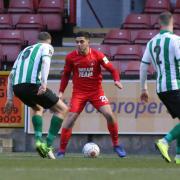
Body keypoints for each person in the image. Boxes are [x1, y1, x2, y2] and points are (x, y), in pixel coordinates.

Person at [56, 31, 126, 158]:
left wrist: (117, 80)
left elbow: (112, 69)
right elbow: (66, 75)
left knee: (109, 115)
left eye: (82, 41)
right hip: (79, 93)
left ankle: (116, 145)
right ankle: (61, 151)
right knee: (70, 118)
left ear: (88, 42)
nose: (79, 44)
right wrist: (61, 91)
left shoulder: (98, 55)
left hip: (96, 92)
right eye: (77, 42)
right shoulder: (70, 57)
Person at [4, 32, 68, 159]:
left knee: (38, 108)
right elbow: (45, 62)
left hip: (18, 88)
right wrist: (44, 84)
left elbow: (11, 75)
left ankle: (38, 139)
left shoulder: (24, 51)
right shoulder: (47, 47)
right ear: (49, 41)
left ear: (37, 40)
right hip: (33, 85)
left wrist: (10, 98)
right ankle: (47, 145)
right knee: (62, 109)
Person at [140, 11, 180, 164]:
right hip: (175, 86)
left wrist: (143, 88)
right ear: (173, 23)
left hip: (161, 88)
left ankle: (178, 156)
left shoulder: (151, 42)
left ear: (158, 24)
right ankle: (164, 141)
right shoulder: (176, 40)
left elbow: (143, 67)